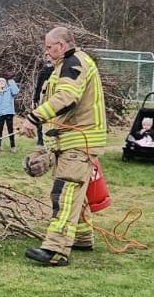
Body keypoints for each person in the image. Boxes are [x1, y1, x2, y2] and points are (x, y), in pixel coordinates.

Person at [17, 27, 106, 265]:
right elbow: (59, 116)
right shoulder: (62, 66)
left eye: (49, 47)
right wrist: (44, 149)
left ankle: (55, 249)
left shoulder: (73, 63)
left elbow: (66, 99)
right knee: (76, 192)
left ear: (62, 46)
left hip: (79, 141)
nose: (46, 52)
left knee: (64, 193)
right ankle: (82, 238)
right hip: (70, 140)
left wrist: (34, 117)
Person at [0, 77, 20, 148]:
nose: (1, 83)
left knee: (10, 130)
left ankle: (13, 146)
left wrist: (11, 81)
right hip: (0, 113)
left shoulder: (10, 89)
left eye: (3, 82)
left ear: (6, 83)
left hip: (9, 112)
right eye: (0, 82)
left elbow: (16, 91)